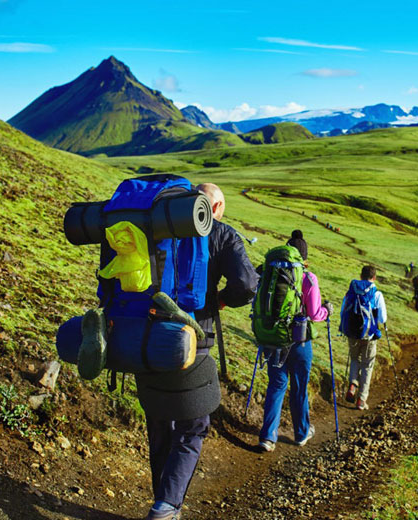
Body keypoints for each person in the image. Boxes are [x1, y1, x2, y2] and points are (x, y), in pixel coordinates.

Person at [136, 182, 259, 520]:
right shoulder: (223, 234)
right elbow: (247, 285)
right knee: (194, 423)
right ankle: (166, 506)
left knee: (159, 419)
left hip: (145, 336)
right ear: (215, 208)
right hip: (193, 339)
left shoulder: (156, 223)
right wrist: (220, 300)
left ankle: (162, 498)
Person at [257, 233, 333, 452]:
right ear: (304, 257)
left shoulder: (270, 273)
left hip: (271, 338)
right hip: (299, 343)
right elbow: (315, 313)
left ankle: (267, 437)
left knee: (276, 385)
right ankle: (301, 433)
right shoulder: (308, 278)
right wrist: (327, 310)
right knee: (299, 387)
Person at [343, 265, 387, 410]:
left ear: (361, 275)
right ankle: (361, 400)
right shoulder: (376, 294)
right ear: (374, 278)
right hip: (370, 335)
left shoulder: (352, 290)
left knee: (355, 358)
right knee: (367, 365)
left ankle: (353, 384)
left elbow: (344, 309)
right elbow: (382, 318)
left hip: (353, 333)